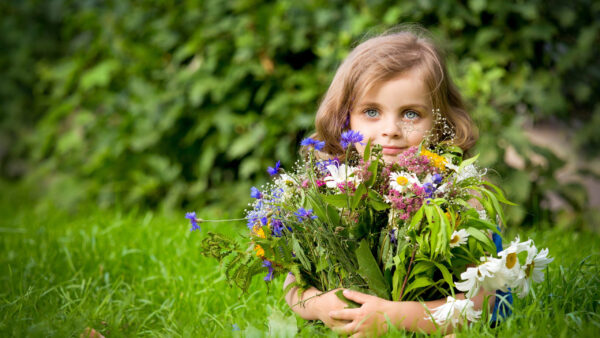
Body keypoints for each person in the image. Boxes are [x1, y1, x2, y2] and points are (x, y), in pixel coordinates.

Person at [283, 27, 512, 336]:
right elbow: (293, 285)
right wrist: (321, 305)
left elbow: (485, 302)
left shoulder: (459, 199)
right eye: (372, 111)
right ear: (345, 117)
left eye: (411, 114)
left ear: (440, 122)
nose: (390, 129)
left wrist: (394, 317)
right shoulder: (331, 191)